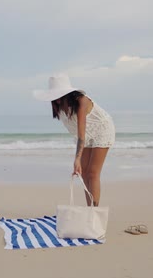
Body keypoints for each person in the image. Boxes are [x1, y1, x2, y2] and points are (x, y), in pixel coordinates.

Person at [34, 74, 115, 206]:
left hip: (101, 129)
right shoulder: (58, 104)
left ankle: (94, 213)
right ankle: (90, 209)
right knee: (83, 173)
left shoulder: (82, 101)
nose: (57, 99)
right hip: (83, 135)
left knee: (93, 173)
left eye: (60, 95)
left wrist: (77, 158)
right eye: (54, 95)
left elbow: (81, 134)